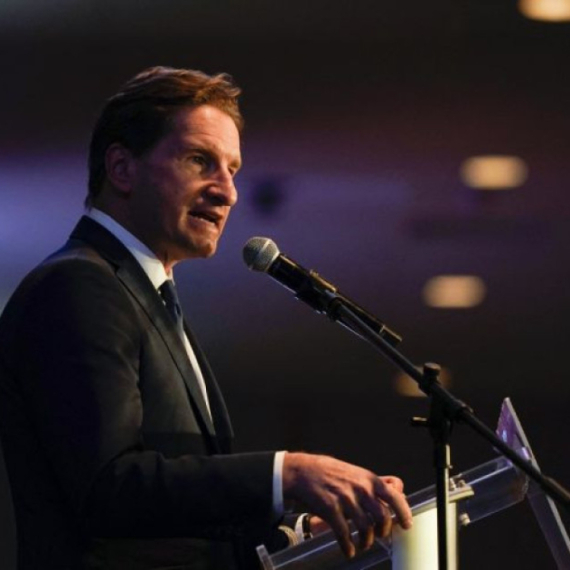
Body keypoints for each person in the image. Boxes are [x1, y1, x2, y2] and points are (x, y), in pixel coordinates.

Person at [0, 66, 412, 570]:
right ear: (122, 168)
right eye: (200, 160)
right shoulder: (80, 286)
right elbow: (109, 488)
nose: (228, 192)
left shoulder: (144, 296)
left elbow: (178, 522)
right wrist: (287, 473)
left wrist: (300, 532)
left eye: (232, 169)